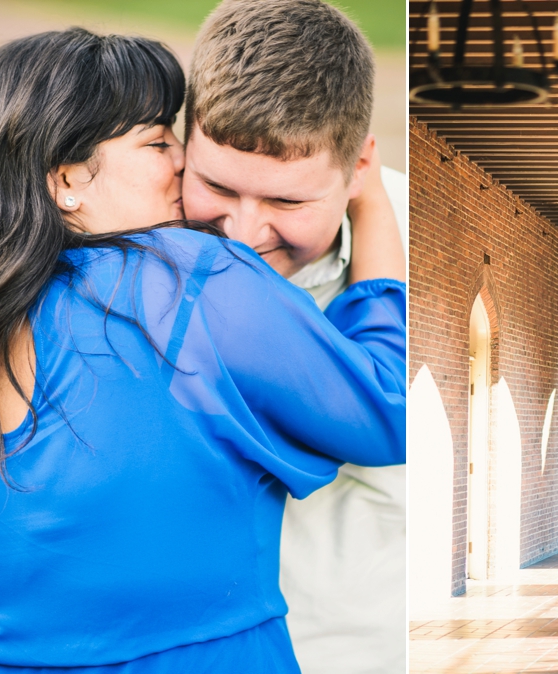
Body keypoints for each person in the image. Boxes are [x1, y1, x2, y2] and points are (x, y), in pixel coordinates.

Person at [0, 28, 404, 673]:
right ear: (65, 180)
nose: (177, 162)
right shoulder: (185, 274)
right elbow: (388, 403)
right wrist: (373, 210)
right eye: (158, 140)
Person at [182, 2, 407, 671]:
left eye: (286, 203)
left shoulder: (411, 246)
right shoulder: (128, 243)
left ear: (359, 167)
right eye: (217, 186)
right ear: (182, 139)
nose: (245, 235)